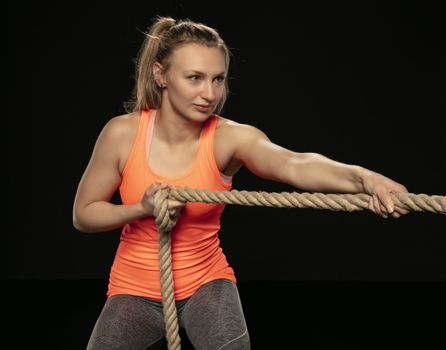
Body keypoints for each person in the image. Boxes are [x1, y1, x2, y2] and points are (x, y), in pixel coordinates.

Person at [72, 16, 409, 350]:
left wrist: (365, 179)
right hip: (134, 289)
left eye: (218, 79)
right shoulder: (122, 133)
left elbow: (293, 163)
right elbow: (84, 214)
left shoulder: (227, 138)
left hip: (206, 284)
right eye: (195, 78)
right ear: (161, 75)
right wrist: (141, 208)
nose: (209, 94)